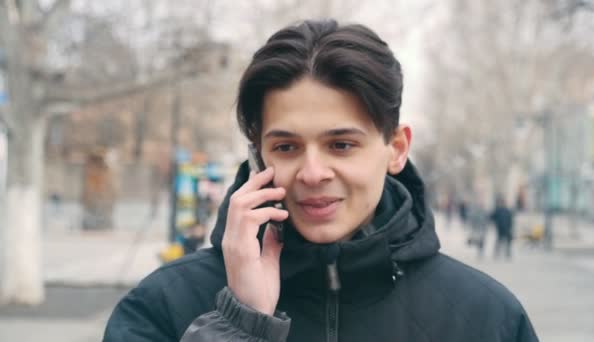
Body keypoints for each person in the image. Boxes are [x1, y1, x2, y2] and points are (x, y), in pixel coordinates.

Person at [103, 19, 537, 341]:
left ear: (396, 148)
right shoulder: (164, 305)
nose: (312, 174)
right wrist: (239, 324)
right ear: (258, 153)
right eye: (287, 147)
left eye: (342, 145)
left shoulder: (485, 317)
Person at [490, 195, 515, 260]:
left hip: (506, 228)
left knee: (507, 242)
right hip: (500, 229)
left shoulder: (507, 210)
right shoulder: (498, 210)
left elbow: (511, 220)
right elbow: (492, 217)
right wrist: (496, 223)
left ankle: (507, 254)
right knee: (499, 241)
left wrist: (510, 227)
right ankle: (497, 253)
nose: (502, 203)